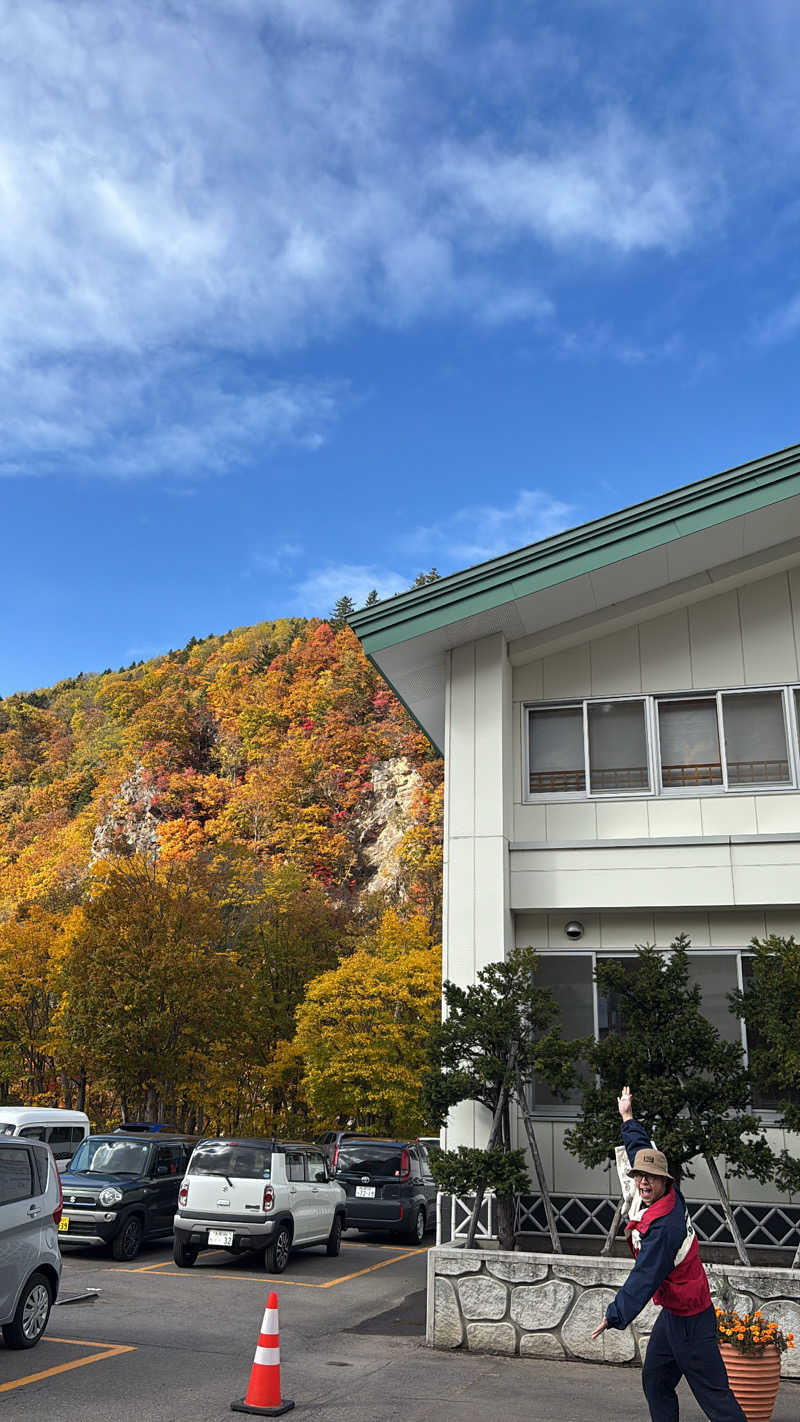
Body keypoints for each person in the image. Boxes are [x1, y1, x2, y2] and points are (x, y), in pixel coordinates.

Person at [591, 1085, 746, 1422]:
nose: (643, 1182)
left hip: (691, 1319)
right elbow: (641, 1149)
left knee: (715, 1398)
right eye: (640, 1176)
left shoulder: (665, 1227)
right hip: (675, 1315)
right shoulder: (660, 1195)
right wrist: (628, 1116)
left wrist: (615, 1314)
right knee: (656, 1381)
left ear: (665, 1181)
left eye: (650, 1178)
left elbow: (645, 1276)